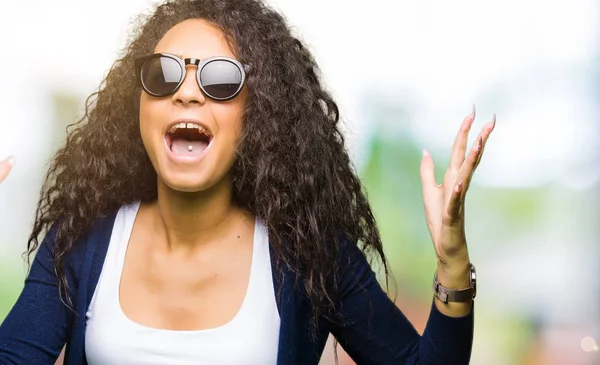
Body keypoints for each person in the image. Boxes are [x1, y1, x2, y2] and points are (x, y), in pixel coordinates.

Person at [0, 0, 495, 364]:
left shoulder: (308, 256)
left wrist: (453, 264)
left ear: (256, 114)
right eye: (164, 75)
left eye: (219, 80)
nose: (188, 93)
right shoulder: (78, 241)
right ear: (138, 107)